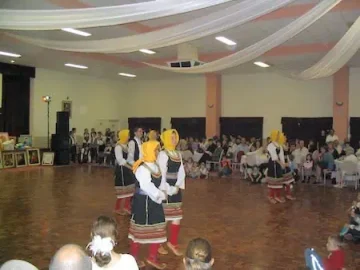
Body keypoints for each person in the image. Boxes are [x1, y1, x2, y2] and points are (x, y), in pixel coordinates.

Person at [128, 141, 167, 269]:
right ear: (149, 150)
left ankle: (152, 257)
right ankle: (133, 258)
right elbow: (146, 186)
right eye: (155, 150)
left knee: (157, 227)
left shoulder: (155, 165)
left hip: (154, 201)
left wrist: (163, 191)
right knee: (139, 230)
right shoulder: (142, 168)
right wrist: (159, 195)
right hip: (143, 202)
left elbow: (159, 182)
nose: (157, 152)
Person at [157, 129, 186, 257]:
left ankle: (172, 242)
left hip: (175, 188)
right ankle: (157, 243)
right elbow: (161, 173)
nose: (174, 139)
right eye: (172, 137)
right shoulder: (163, 154)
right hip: (166, 188)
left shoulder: (178, 153)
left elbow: (181, 172)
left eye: (175, 137)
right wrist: (168, 188)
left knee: (177, 217)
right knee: (164, 219)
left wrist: (178, 185)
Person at [266, 130, 295, 204]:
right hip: (273, 164)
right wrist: (282, 164)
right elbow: (274, 157)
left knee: (278, 181)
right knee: (274, 181)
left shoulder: (279, 144)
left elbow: (282, 155)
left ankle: (277, 196)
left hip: (279, 164)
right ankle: (271, 196)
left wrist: (285, 164)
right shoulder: (270, 145)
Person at [114, 130, 135, 216]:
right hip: (122, 170)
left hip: (127, 169)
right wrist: (130, 166)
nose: (129, 137)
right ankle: (117, 208)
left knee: (129, 188)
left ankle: (126, 207)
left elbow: (129, 158)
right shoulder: (118, 147)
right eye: (127, 135)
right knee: (122, 190)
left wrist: (134, 165)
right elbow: (120, 160)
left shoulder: (125, 146)